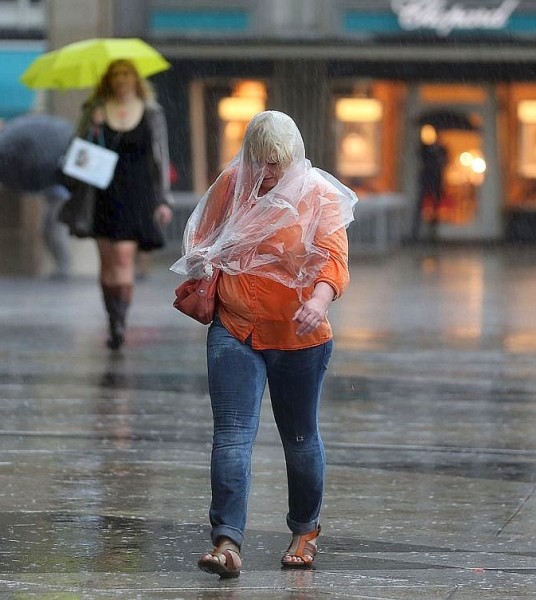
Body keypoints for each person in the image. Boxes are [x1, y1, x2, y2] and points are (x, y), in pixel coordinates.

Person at [171, 111, 356, 576]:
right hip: (236, 327)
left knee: (299, 437)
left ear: (293, 155)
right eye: (261, 161)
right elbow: (201, 238)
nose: (268, 173)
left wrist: (318, 300)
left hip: (299, 333)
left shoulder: (318, 194)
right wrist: (203, 258)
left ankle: (305, 530)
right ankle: (226, 543)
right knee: (232, 436)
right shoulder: (234, 184)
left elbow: (334, 259)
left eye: (277, 163)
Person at [63, 58, 173, 349]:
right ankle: (112, 319)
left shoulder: (151, 113)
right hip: (101, 192)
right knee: (107, 260)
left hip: (137, 194)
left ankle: (121, 322)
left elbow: (160, 159)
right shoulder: (94, 109)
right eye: (116, 74)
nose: (121, 79)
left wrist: (163, 199)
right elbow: (78, 152)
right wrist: (93, 127)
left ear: (135, 78)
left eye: (126, 73)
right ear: (108, 79)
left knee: (124, 258)